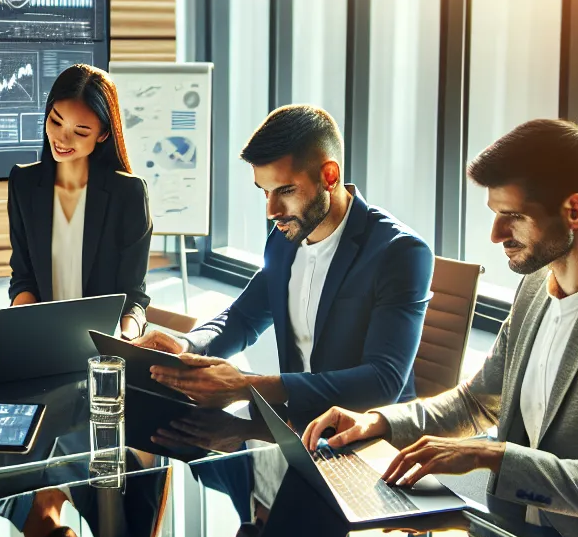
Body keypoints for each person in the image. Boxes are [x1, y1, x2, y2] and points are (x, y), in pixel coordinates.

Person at [302, 118, 578, 537]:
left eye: (513, 216)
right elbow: (477, 403)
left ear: (575, 211)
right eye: (494, 214)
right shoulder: (536, 286)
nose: (495, 235)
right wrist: (379, 421)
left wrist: (488, 454)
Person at [134, 105, 433, 419]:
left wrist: (246, 386)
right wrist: (186, 346)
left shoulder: (400, 252)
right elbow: (243, 318)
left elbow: (383, 381)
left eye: (285, 190)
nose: (272, 211)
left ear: (329, 176)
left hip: (369, 437)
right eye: (265, 192)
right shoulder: (285, 237)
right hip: (295, 426)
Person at [6, 64, 153, 338]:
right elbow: (23, 276)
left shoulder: (129, 193)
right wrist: (22, 326)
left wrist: (124, 338)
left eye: (80, 131)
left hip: (105, 343)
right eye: (56, 121)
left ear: (103, 134)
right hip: (42, 337)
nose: (62, 138)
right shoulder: (23, 183)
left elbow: (134, 297)